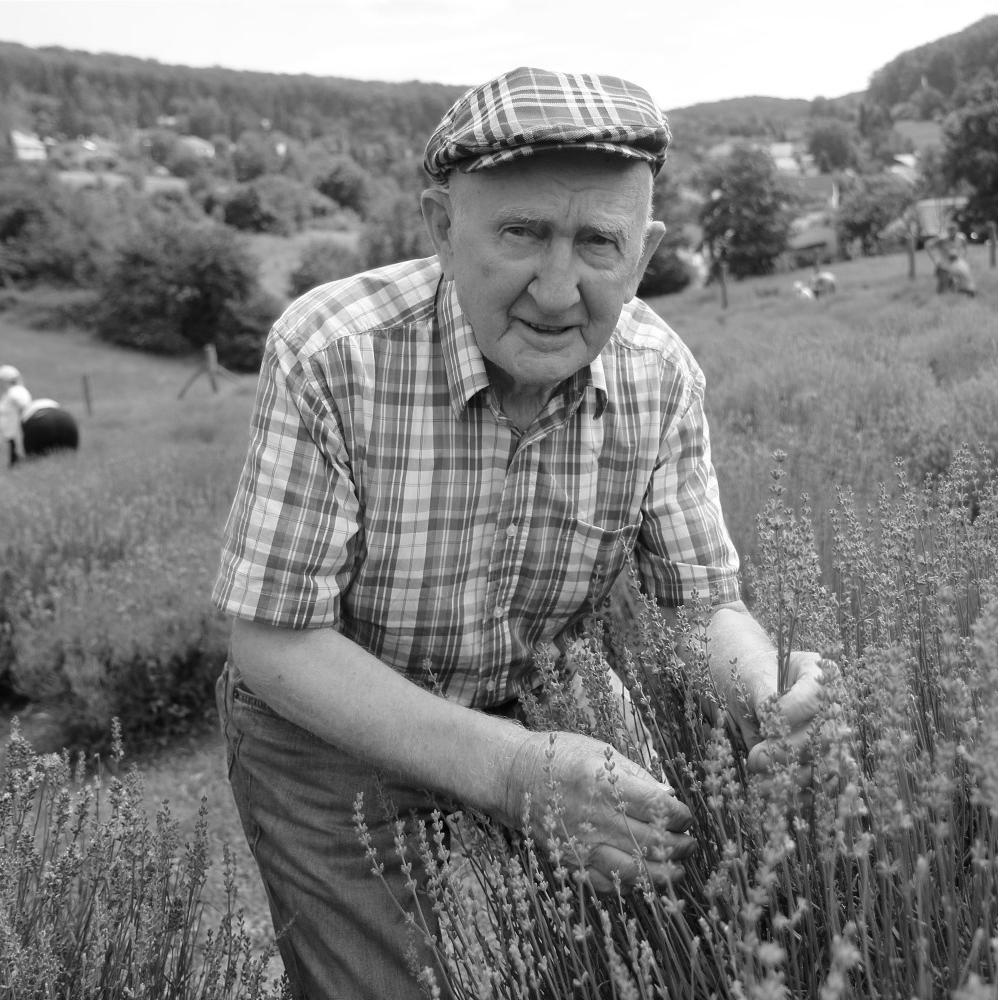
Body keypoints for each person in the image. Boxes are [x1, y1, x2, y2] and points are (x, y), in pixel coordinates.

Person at [212, 66, 833, 1000]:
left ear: (644, 252)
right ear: (441, 227)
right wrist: (508, 774)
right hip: (330, 715)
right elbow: (271, 640)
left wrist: (761, 690)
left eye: (598, 242)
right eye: (522, 234)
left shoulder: (660, 375)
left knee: (654, 948)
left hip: (542, 695)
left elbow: (701, 603)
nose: (556, 289)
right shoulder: (333, 351)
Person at [0, 364, 80, 462]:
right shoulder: (13, 392)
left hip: (29, 428)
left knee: (34, 460)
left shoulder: (15, 391)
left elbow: (22, 405)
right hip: (51, 422)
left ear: (4, 381)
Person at [927, 224, 976, 296]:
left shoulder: (961, 238)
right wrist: (935, 259)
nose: (952, 232)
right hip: (944, 265)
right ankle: (942, 295)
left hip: (957, 263)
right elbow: (928, 245)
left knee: (965, 276)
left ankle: (966, 292)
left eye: (954, 230)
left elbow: (965, 247)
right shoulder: (942, 239)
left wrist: (964, 257)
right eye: (950, 230)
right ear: (948, 231)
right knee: (943, 284)